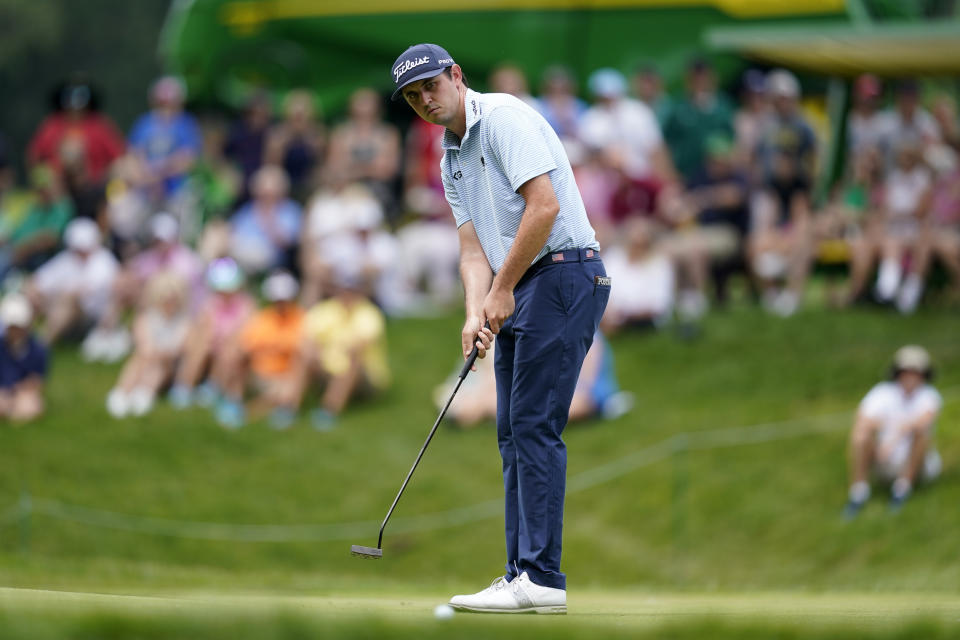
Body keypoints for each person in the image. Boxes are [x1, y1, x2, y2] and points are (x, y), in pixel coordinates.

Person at [392, 43, 609, 613]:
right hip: (525, 283)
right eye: (414, 97)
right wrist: (474, 309)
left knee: (534, 425)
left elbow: (544, 209)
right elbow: (471, 248)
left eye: (430, 87)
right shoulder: (450, 155)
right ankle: (520, 575)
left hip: (563, 275)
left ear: (456, 76)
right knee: (511, 431)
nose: (425, 101)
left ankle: (541, 577)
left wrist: (501, 289)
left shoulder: (506, 118)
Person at [845, 346, 943, 516]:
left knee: (922, 433)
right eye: (907, 371)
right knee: (860, 435)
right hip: (885, 459)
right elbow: (863, 418)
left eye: (916, 372)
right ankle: (858, 492)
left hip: (917, 464)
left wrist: (893, 438)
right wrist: (880, 430)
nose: (911, 376)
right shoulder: (882, 392)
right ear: (898, 372)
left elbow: (922, 422)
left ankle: (902, 489)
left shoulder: (929, 395)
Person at [213, 271, 306, 430]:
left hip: (285, 375)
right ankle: (232, 399)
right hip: (259, 373)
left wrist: (271, 347)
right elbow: (247, 345)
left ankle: (247, 413)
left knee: (284, 389)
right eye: (277, 299)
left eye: (284, 299)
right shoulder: (262, 318)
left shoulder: (301, 319)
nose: (280, 303)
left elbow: (299, 350)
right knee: (235, 354)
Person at [301, 273, 391, 430]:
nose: (347, 295)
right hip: (328, 368)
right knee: (304, 355)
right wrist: (316, 353)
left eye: (352, 291)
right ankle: (288, 407)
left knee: (352, 360)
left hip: (366, 378)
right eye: (344, 290)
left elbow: (359, 346)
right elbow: (309, 339)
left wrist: (328, 353)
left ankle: (329, 410)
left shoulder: (369, 313)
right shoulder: (325, 310)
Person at [168, 257, 256, 409]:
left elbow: (245, 331)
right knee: (200, 345)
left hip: (232, 346)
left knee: (229, 349)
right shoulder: (212, 303)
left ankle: (215, 387)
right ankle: (184, 386)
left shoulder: (246, 305)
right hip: (213, 343)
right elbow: (204, 325)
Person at [105, 273, 191, 418]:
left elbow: (180, 350)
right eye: (166, 299)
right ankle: (124, 391)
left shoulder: (185, 323)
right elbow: (143, 344)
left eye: (173, 299)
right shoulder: (145, 318)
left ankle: (144, 392)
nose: (169, 303)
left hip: (170, 367)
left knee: (156, 363)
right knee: (140, 358)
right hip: (147, 360)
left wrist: (157, 353)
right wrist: (154, 353)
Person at [26, 218, 119, 345]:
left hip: (91, 319)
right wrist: (34, 293)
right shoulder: (66, 259)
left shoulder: (104, 260)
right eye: (78, 247)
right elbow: (36, 281)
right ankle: (19, 340)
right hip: (59, 309)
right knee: (30, 295)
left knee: (68, 300)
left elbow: (85, 291)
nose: (81, 252)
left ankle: (41, 344)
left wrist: (58, 295)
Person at [229, 164, 302, 275]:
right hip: (239, 246)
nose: (264, 196)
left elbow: (286, 243)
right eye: (261, 192)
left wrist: (268, 217)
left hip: (269, 255)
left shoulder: (290, 210)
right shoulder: (248, 208)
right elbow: (232, 229)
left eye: (269, 193)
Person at [0, 293, 48, 423]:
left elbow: (38, 379)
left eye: (18, 327)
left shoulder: (38, 349)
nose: (15, 332)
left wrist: (21, 389)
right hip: (3, 389)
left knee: (30, 407)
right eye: (12, 328)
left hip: (24, 391)